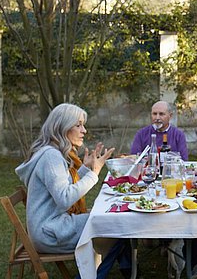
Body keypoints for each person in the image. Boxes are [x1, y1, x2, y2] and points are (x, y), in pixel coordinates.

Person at [15, 103, 131, 278]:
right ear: (62, 127)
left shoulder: (50, 152)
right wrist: (94, 173)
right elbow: (64, 198)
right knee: (116, 226)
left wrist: (84, 168)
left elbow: (64, 186)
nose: (84, 130)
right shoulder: (51, 156)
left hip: (51, 227)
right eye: (78, 125)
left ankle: (124, 270)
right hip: (51, 233)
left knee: (113, 221)